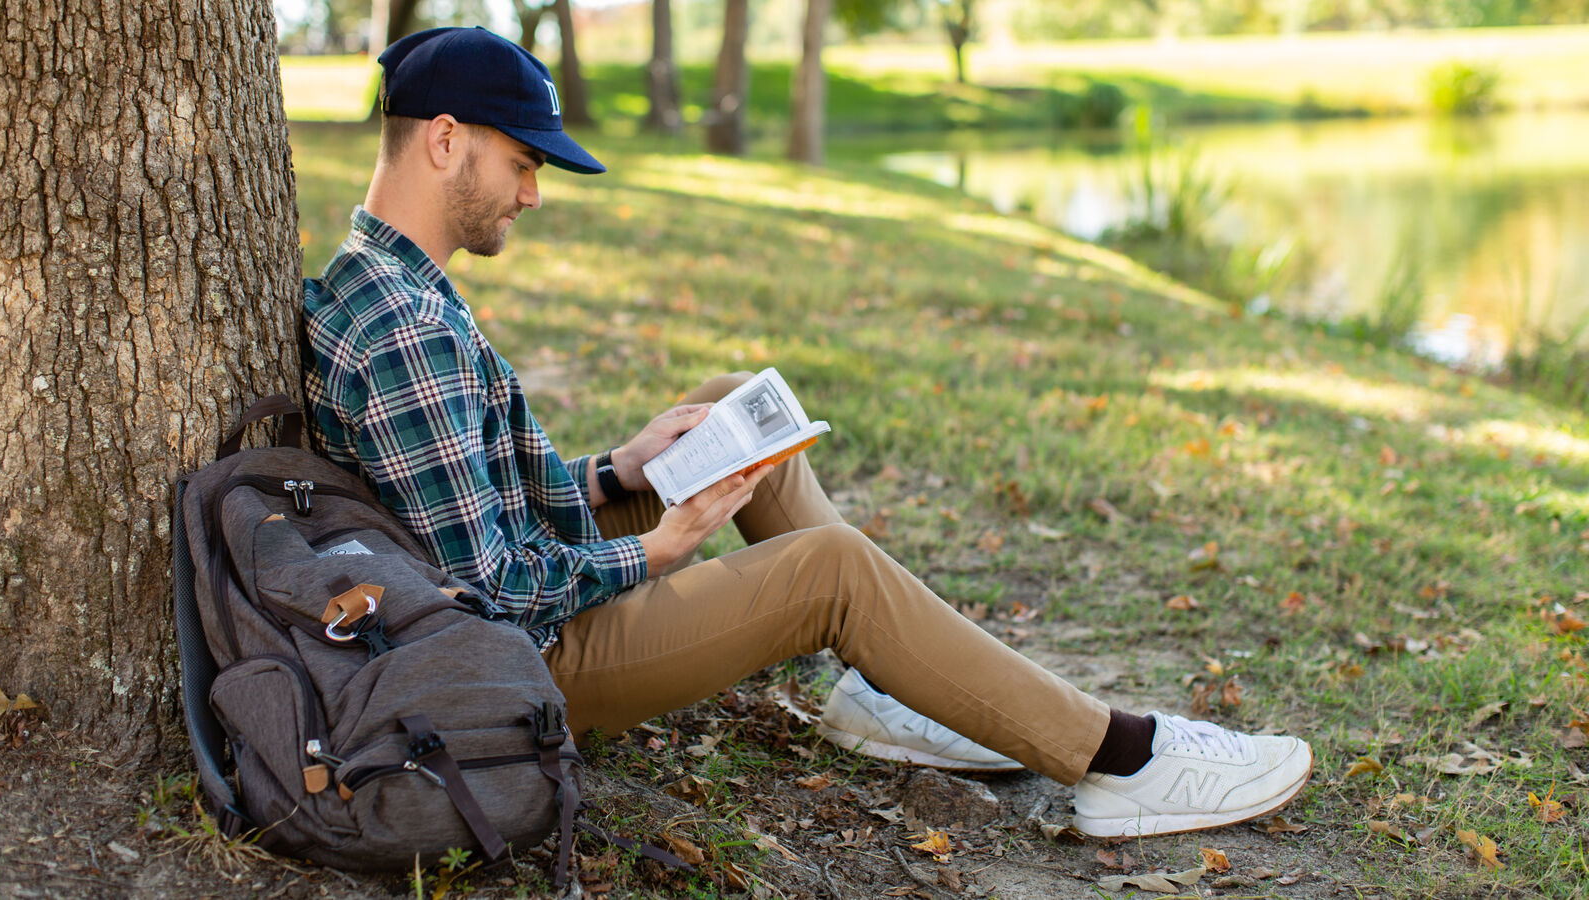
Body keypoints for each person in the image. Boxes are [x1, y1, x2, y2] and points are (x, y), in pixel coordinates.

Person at [300, 25, 1312, 839]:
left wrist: (620, 468)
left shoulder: (386, 282)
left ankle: (886, 695)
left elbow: (465, 501)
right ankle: (1121, 761)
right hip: (529, 661)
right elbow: (492, 590)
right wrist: (654, 550)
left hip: (507, 601)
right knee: (830, 569)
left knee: (733, 409)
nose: (532, 194)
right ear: (444, 141)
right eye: (522, 163)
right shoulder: (404, 331)